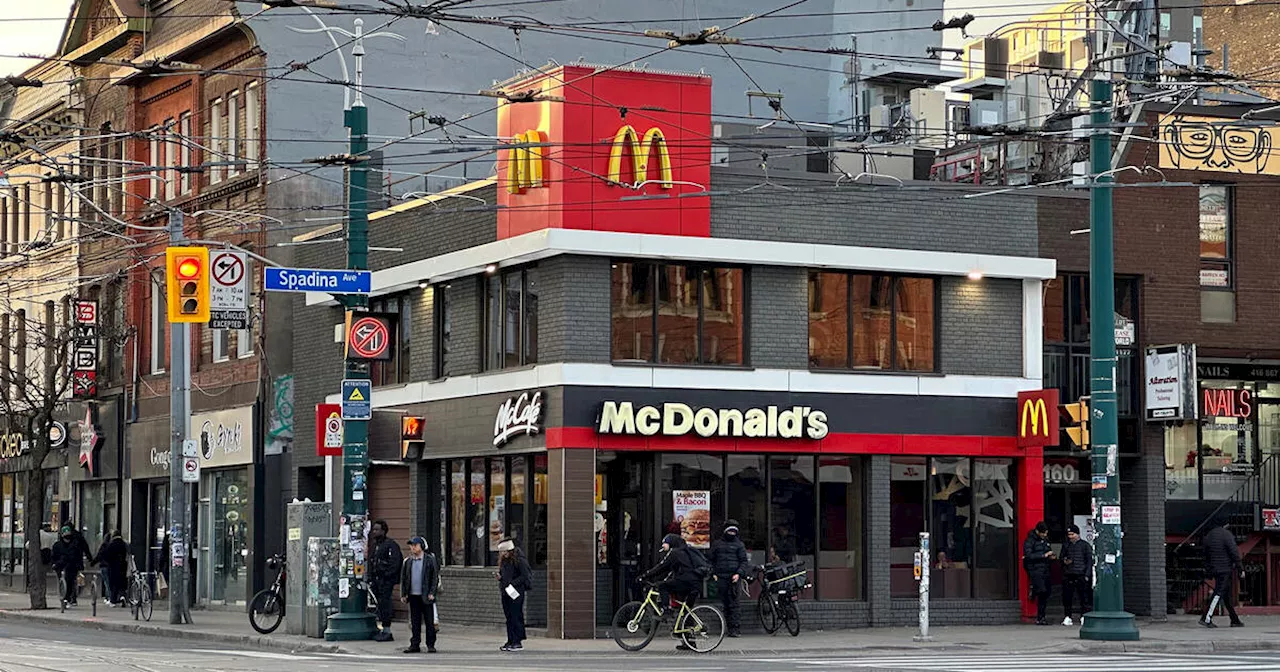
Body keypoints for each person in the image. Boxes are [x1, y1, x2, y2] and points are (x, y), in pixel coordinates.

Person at [640, 533, 704, 650]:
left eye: (665, 543)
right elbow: (671, 572)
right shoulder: (685, 552)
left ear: (671, 543)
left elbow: (662, 567)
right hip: (695, 584)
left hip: (686, 582)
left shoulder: (674, 553)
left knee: (663, 586)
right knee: (685, 611)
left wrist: (645, 576)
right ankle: (689, 642)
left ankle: (666, 609)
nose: (663, 545)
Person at [1201, 517, 1244, 628]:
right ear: (1225, 525)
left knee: (1226, 595)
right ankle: (1206, 618)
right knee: (1218, 593)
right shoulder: (1226, 535)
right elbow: (1234, 552)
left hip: (1214, 568)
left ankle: (1234, 619)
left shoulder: (1209, 536)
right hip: (1224, 569)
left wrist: (1208, 569)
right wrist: (1240, 568)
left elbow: (1205, 555)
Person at [709, 519, 749, 638]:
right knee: (726, 604)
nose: (732, 533)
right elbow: (710, 559)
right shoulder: (717, 544)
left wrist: (738, 574)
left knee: (734, 604)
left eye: (734, 531)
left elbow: (743, 562)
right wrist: (713, 573)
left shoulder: (739, 545)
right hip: (721, 577)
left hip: (734, 578)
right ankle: (728, 627)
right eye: (730, 531)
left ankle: (735, 629)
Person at [400, 536, 438, 654]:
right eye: (411, 546)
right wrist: (404, 594)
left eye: (415, 545)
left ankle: (430, 644)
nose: (412, 548)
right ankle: (414, 644)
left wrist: (432, 592)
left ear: (421, 546)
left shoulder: (429, 560)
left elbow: (434, 577)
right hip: (413, 595)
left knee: (429, 621)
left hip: (426, 595)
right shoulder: (408, 561)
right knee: (415, 622)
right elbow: (404, 579)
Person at [368, 520, 403, 642]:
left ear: (383, 531)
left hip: (386, 581)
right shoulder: (375, 546)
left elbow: (395, 563)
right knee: (380, 604)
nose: (375, 532)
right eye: (374, 529)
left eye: (377, 529)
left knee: (385, 603)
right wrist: (371, 577)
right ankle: (383, 628)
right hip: (376, 581)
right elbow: (372, 562)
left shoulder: (391, 545)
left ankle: (387, 630)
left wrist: (387, 576)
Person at [497, 538, 533, 652]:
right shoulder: (504, 561)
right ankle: (510, 639)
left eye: (504, 552)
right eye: (501, 552)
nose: (503, 554)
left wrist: (512, 583)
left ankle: (517, 641)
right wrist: (501, 579)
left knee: (516, 615)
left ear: (510, 551)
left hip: (516, 591)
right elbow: (505, 575)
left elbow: (525, 576)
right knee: (509, 617)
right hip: (506, 591)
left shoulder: (519, 560)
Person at [1022, 521, 1055, 625]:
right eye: (1043, 533)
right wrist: (1043, 555)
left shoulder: (1045, 541)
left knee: (1047, 592)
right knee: (1042, 591)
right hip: (1035, 569)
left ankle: (1042, 616)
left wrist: (1050, 557)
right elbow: (1028, 555)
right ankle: (1040, 617)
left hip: (1045, 568)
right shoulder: (1030, 541)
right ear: (1037, 531)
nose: (1045, 535)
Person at [1059, 524, 1093, 626]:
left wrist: (1087, 574)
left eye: (1072, 534)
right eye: (1069, 534)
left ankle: (1083, 616)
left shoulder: (1085, 545)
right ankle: (1068, 616)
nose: (1070, 536)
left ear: (1077, 534)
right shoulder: (1066, 545)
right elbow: (1061, 558)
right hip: (1069, 574)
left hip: (1081, 574)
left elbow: (1089, 561)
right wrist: (1064, 562)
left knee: (1083, 597)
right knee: (1067, 597)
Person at [51, 526, 89, 606]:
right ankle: (65, 597)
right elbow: (54, 556)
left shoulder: (75, 545)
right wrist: (55, 564)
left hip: (71, 566)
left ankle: (68, 598)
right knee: (63, 582)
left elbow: (78, 556)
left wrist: (79, 565)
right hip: (60, 566)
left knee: (71, 582)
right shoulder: (58, 545)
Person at [94, 530, 129, 605]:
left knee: (113, 584)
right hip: (123, 566)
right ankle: (122, 596)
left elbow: (106, 555)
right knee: (122, 583)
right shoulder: (124, 544)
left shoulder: (111, 544)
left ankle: (113, 600)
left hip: (113, 567)